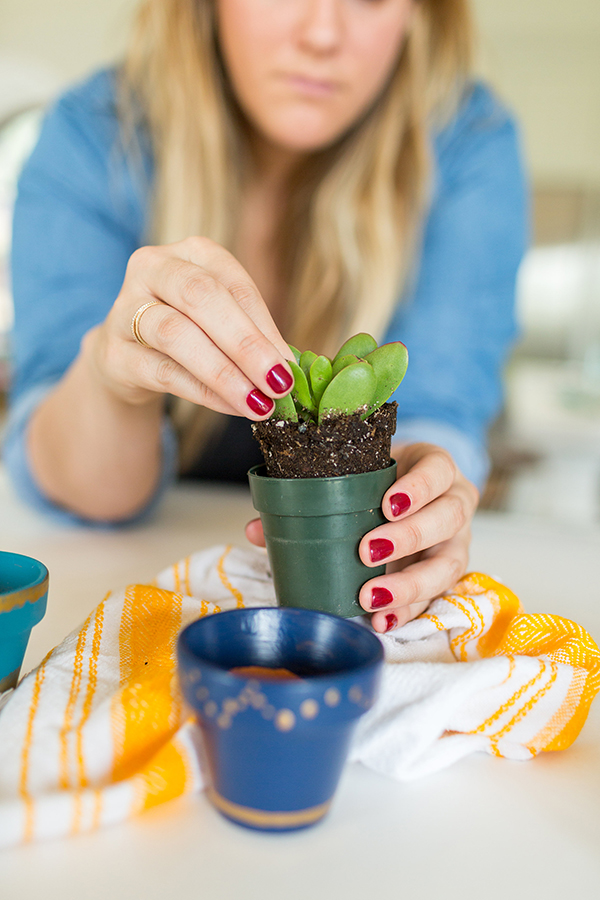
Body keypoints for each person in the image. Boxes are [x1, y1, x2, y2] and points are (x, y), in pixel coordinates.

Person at [4, 0, 527, 634]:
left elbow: (443, 407)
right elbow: (81, 485)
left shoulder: (467, 139)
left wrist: (429, 488)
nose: (323, 34)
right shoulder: (95, 132)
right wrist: (115, 379)